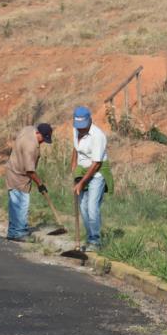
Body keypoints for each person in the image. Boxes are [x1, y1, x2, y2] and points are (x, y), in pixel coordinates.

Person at [71, 106, 113, 252]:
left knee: (92, 207)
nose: (81, 130)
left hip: (96, 174)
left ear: (90, 121)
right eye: (78, 127)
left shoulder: (97, 136)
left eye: (83, 127)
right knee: (83, 207)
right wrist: (74, 168)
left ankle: (95, 241)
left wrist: (81, 183)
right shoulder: (76, 129)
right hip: (82, 171)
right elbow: (76, 149)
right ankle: (90, 237)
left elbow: (96, 164)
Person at [5, 123, 54, 242]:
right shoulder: (30, 147)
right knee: (21, 204)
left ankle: (13, 232)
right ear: (38, 133)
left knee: (14, 205)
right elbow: (30, 171)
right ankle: (20, 232)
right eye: (43, 138)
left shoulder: (28, 129)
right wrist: (40, 184)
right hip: (18, 176)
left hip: (12, 169)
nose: (43, 142)